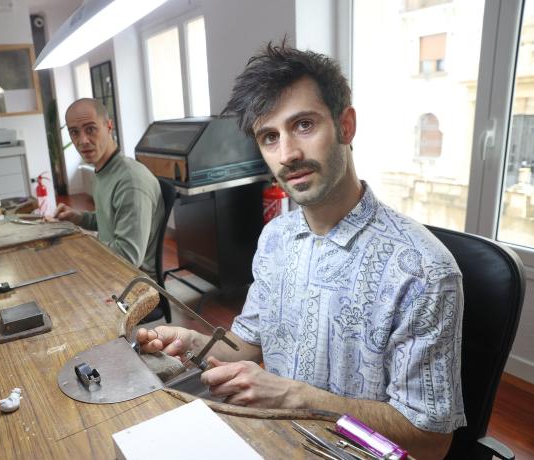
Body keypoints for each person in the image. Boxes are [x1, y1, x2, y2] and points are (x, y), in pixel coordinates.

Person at [136, 43, 465, 459]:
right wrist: (191, 342)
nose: (287, 154)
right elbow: (250, 343)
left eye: (304, 125)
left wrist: (295, 397)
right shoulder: (277, 237)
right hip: (275, 443)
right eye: (269, 137)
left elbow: (431, 440)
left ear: (346, 126)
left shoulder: (423, 271)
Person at [51, 98, 164, 278]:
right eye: (74, 132)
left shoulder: (130, 181)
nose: (83, 140)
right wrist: (79, 218)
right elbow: (111, 220)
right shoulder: (104, 171)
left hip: (137, 284)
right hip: (111, 268)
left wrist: (79, 244)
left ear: (109, 126)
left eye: (91, 129)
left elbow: (128, 256)